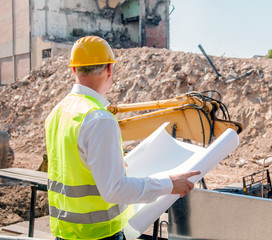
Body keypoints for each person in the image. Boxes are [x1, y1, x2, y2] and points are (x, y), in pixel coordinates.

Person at [45, 36, 200, 240]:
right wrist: (169, 184)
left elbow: (75, 168)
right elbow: (114, 190)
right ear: (109, 69)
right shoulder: (99, 119)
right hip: (98, 234)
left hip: (65, 232)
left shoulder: (57, 112)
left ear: (74, 69)